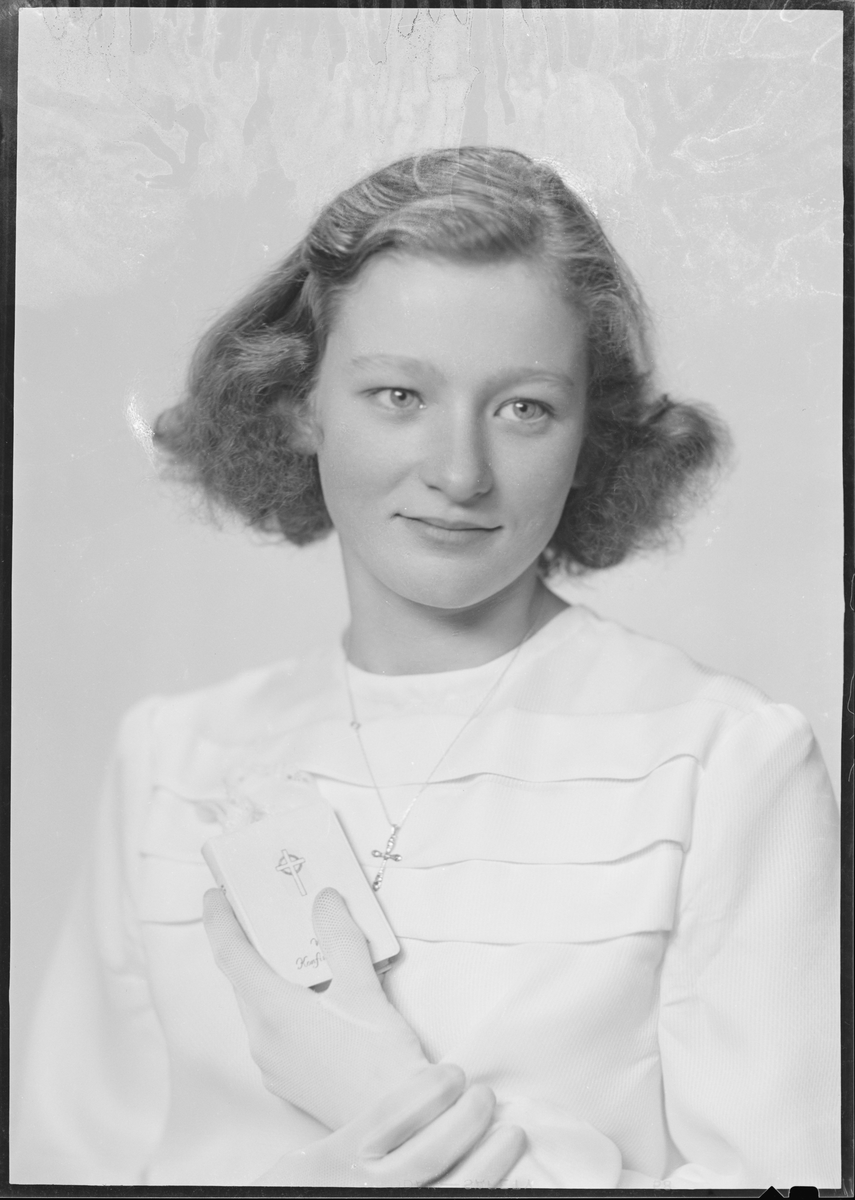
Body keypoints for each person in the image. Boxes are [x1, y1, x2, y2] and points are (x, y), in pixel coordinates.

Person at [13, 147, 839, 1188]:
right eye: (399, 394)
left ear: (592, 431)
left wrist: (382, 1098)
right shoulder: (171, 757)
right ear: (299, 402)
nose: (459, 471)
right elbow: (70, 1166)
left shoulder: (725, 762)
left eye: (523, 407)